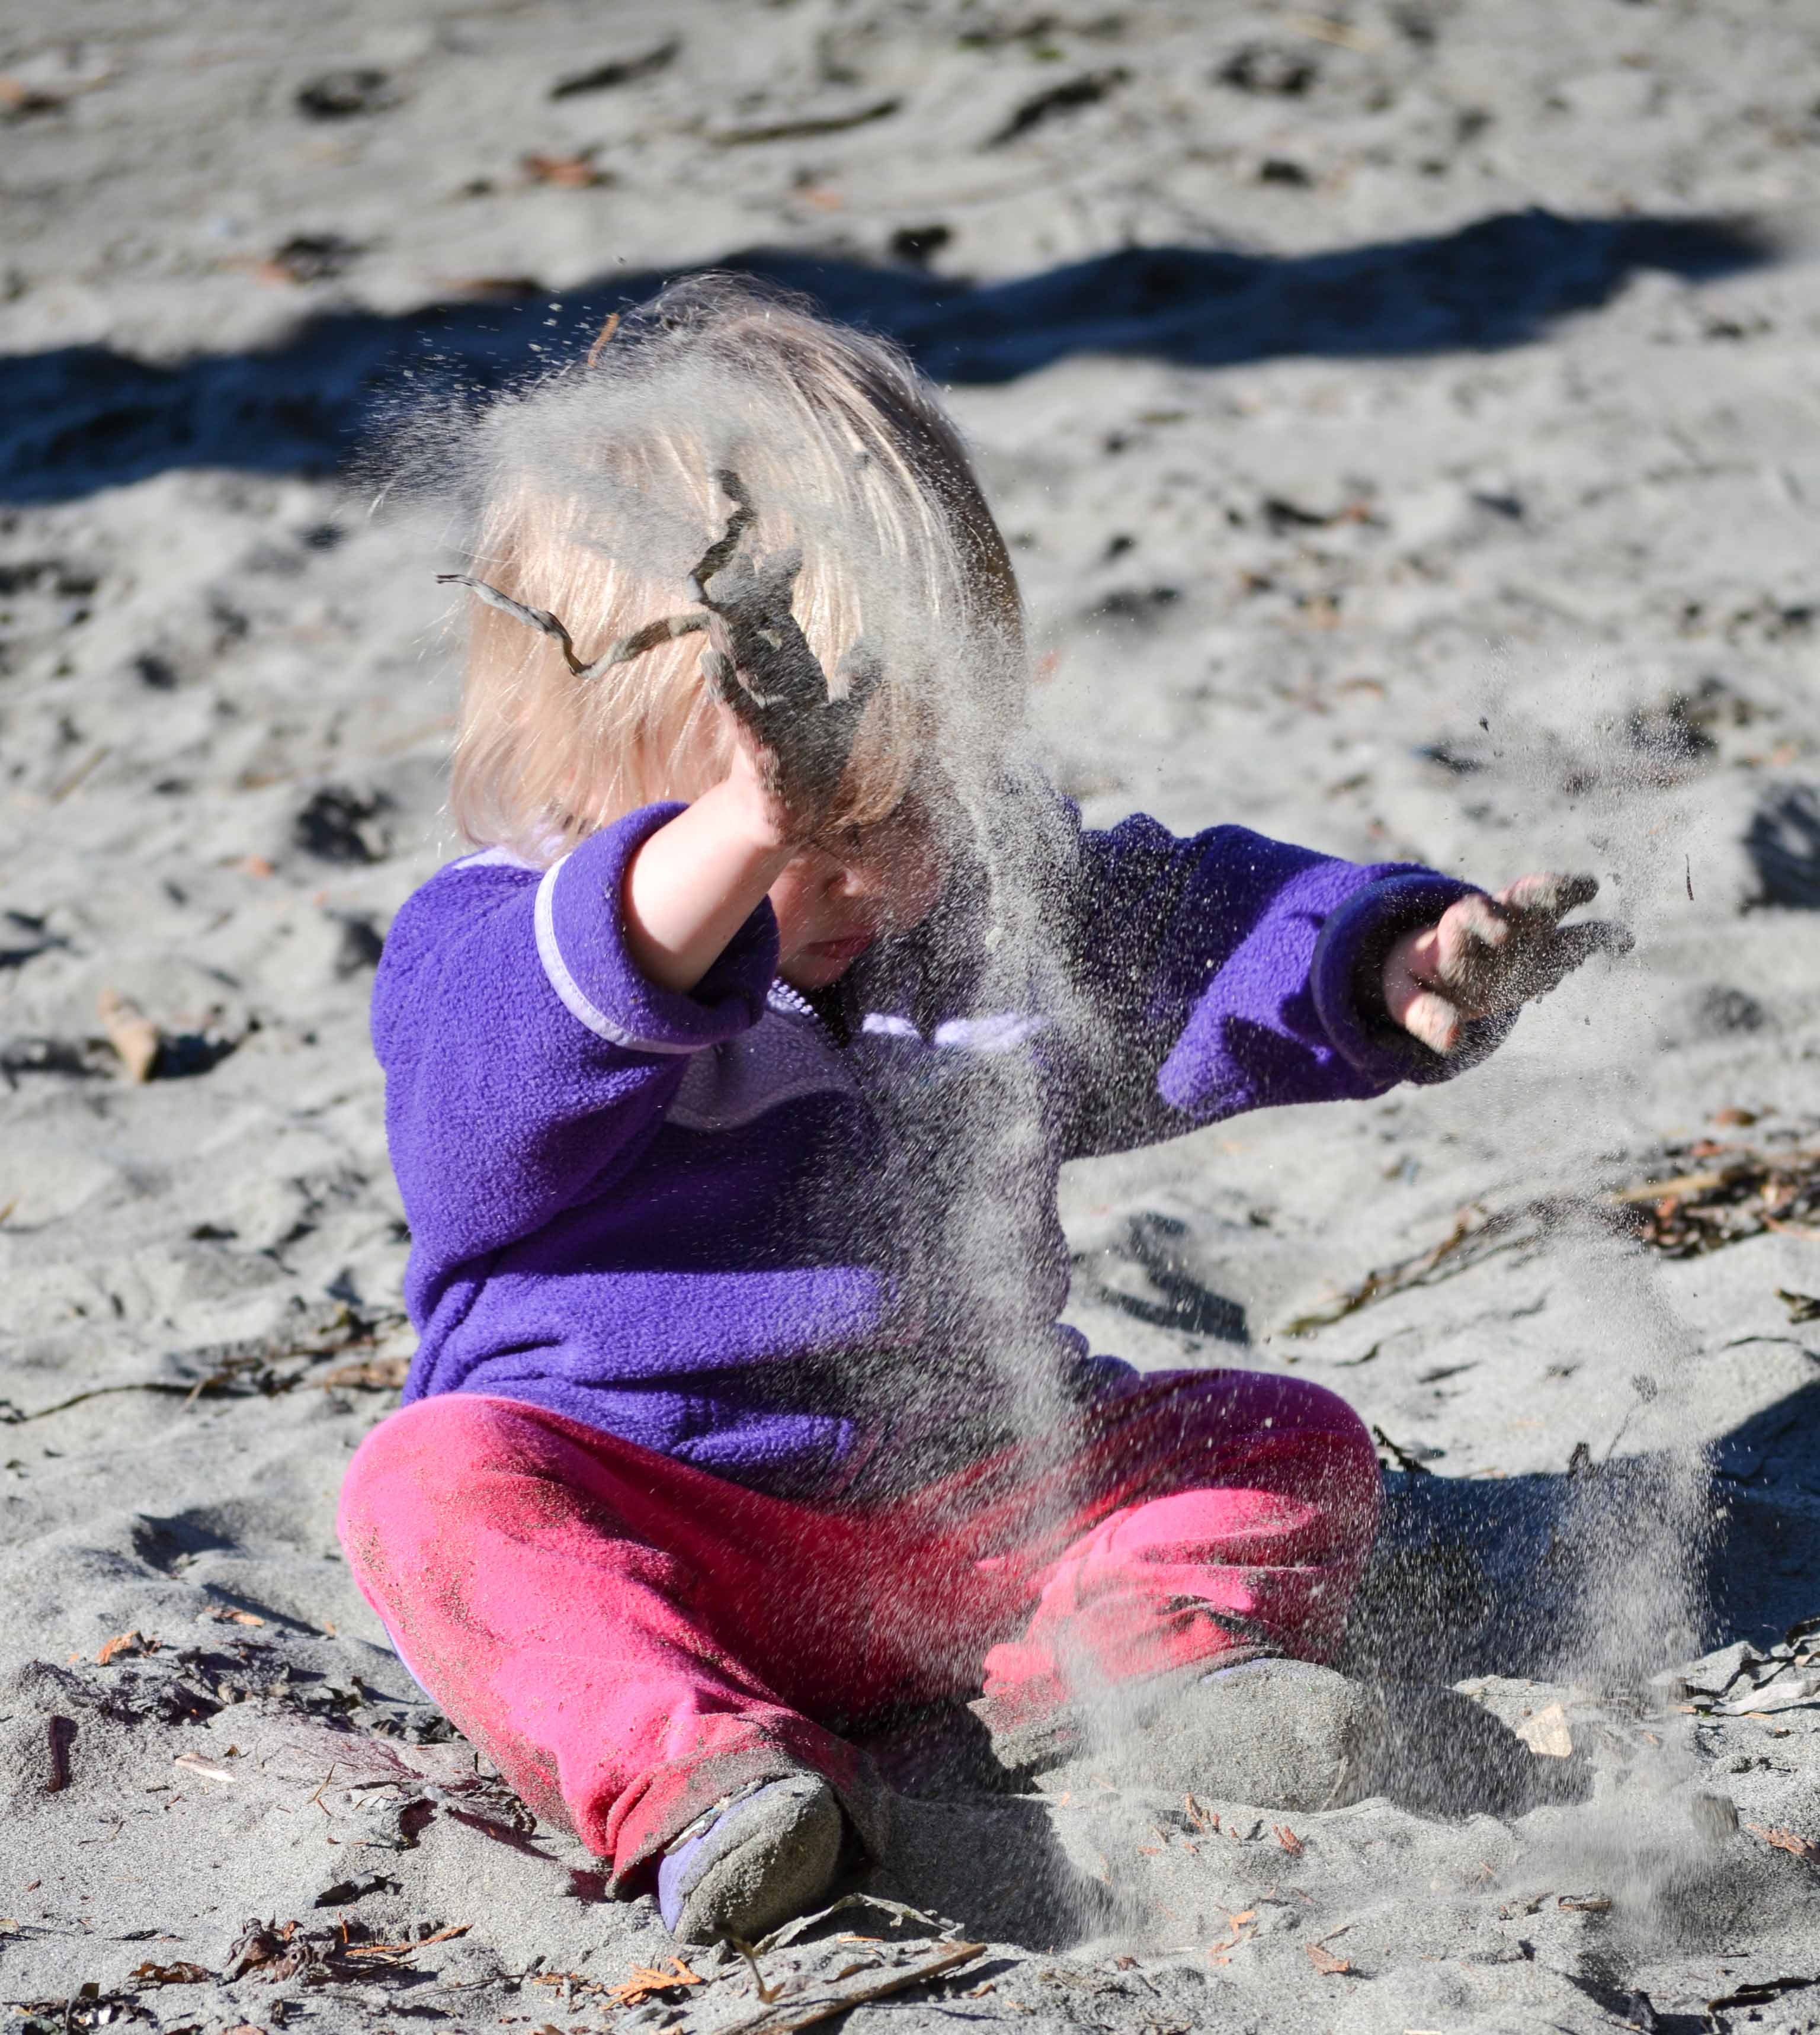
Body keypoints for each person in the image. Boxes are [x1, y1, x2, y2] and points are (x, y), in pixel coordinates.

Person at [338, 278, 1623, 1944]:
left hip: (973, 1511)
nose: (875, 875)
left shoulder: (975, 914)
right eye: (813, 833)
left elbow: (1191, 926)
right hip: (660, 1524)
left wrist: (1386, 960)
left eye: (917, 800)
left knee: (1279, 1434)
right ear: (595, 773)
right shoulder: (494, 952)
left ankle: (1139, 1666)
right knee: (433, 1492)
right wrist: (733, 844)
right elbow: (497, 1087)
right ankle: (711, 1777)